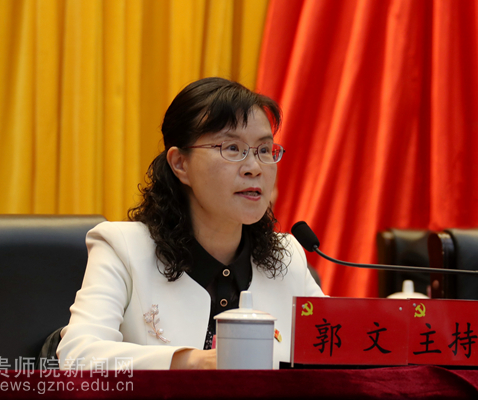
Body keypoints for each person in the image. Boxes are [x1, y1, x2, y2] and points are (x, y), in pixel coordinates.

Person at [57, 77, 324, 370]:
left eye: (264, 150)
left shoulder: (288, 256)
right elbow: (78, 355)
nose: (254, 168)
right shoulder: (124, 247)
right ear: (180, 164)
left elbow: (334, 354)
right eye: (232, 148)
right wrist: (193, 362)